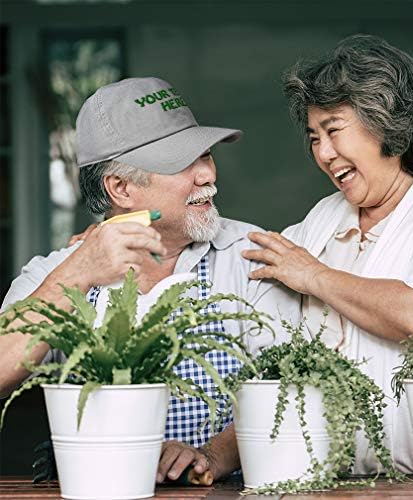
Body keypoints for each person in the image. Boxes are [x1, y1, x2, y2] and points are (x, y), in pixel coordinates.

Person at [0, 77, 299, 482]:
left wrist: (213, 455)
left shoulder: (253, 256)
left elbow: (291, 386)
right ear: (120, 188)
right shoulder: (56, 273)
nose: (207, 175)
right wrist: (79, 271)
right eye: (182, 162)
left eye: (206, 154)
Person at [241, 34, 413, 474]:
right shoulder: (321, 220)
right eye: (313, 137)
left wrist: (314, 276)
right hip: (336, 482)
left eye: (333, 130)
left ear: (387, 125)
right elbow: (271, 358)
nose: (323, 154)